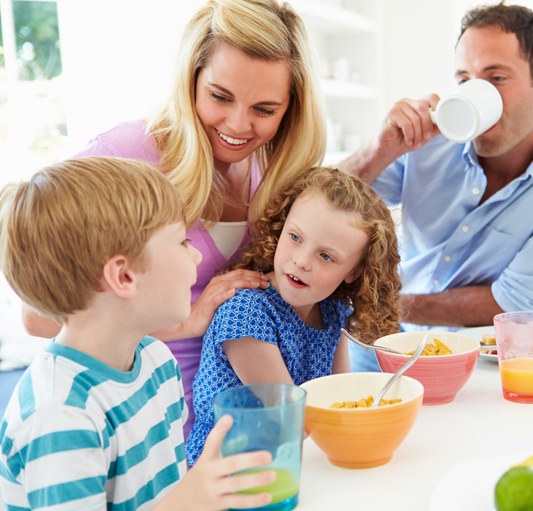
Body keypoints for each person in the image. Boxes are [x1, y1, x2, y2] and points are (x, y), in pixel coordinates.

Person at [20, 0, 326, 436]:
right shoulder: (126, 156)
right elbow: (37, 314)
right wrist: (187, 322)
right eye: (220, 97)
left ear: (291, 110)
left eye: (264, 110)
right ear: (191, 80)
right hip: (148, 435)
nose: (238, 126)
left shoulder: (269, 173)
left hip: (246, 432)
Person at [338, 3, 533, 370]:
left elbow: (514, 303)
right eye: (465, 80)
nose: (477, 93)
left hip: (481, 362)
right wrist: (380, 149)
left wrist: (382, 303)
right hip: (378, 344)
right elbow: (322, 204)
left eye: (496, 78)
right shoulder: (429, 141)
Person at [0, 156, 277, 510]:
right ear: (124, 276)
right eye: (181, 241)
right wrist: (189, 499)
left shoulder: (157, 362)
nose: (195, 257)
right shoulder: (59, 416)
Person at [185, 167, 401, 464]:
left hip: (294, 460)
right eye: (296, 237)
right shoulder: (245, 314)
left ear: (354, 272)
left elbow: (341, 397)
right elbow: (293, 420)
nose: (301, 261)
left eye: (325, 256)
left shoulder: (332, 311)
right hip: (225, 474)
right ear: (283, 226)